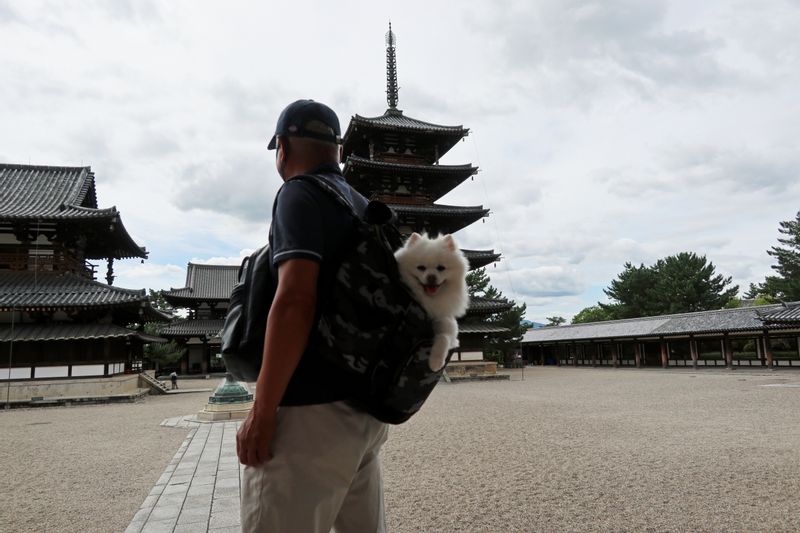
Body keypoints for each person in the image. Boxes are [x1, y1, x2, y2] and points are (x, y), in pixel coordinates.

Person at [236, 99, 389, 533]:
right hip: (363, 410)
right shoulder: (362, 207)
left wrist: (263, 412)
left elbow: (295, 299)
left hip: (308, 412)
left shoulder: (298, 193)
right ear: (337, 150)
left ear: (282, 146)